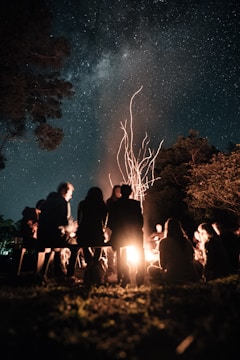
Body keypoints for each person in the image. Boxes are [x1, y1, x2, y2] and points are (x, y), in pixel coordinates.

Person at [37, 182, 78, 283]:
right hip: (54, 236)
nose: (71, 196)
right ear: (65, 191)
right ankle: (70, 275)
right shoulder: (63, 202)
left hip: (42, 236)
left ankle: (47, 274)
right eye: (70, 193)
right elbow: (64, 223)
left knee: (55, 248)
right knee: (75, 245)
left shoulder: (46, 202)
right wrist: (72, 227)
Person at [107, 184, 145, 287]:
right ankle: (140, 276)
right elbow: (141, 222)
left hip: (120, 236)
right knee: (140, 250)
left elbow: (110, 223)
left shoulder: (115, 205)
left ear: (121, 192)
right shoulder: (136, 204)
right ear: (131, 192)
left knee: (121, 252)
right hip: (135, 235)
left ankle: (125, 275)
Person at [147, 217, 201, 284]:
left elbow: (162, 265)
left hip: (173, 275)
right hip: (191, 274)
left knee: (150, 268)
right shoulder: (187, 241)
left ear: (167, 229)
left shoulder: (164, 242)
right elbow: (191, 258)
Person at [76, 187, 108, 286]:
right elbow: (105, 223)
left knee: (85, 246)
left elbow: (79, 219)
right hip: (97, 234)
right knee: (100, 245)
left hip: (83, 234)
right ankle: (94, 272)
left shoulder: (82, 204)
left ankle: (89, 272)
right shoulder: (102, 205)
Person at [105, 185, 122, 280]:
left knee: (121, 249)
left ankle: (120, 268)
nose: (118, 193)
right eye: (117, 191)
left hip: (120, 229)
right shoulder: (109, 202)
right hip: (111, 229)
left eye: (120, 191)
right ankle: (111, 268)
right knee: (110, 249)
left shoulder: (122, 203)